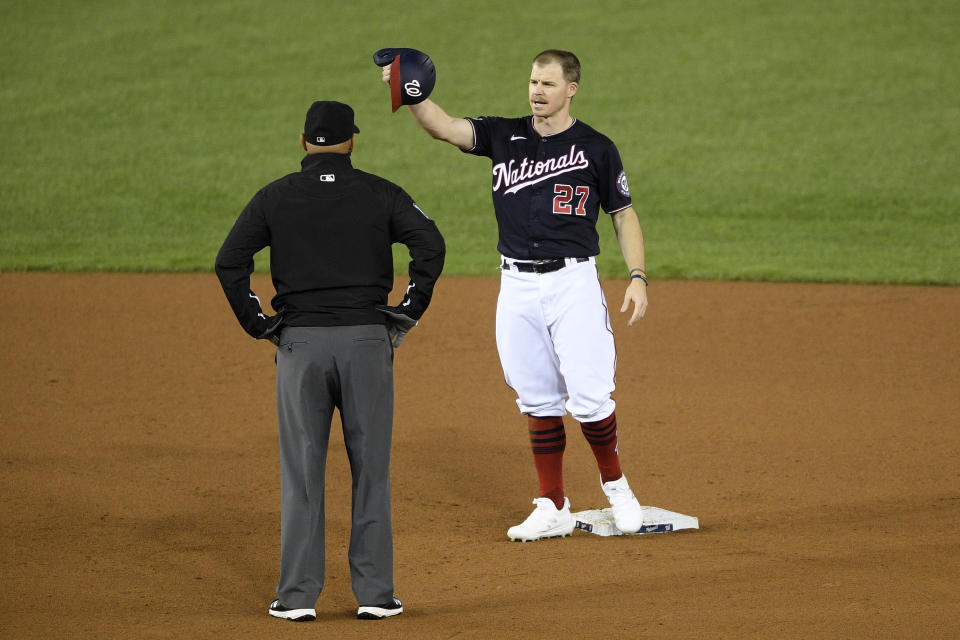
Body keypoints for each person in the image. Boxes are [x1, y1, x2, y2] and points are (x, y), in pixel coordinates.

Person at [379, 49, 648, 541]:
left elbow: (622, 212)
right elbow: (444, 127)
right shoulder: (504, 134)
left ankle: (617, 486)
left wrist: (637, 275)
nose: (536, 91)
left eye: (547, 84)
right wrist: (412, 94)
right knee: (537, 397)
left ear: (571, 89)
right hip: (517, 285)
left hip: (573, 283)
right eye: (532, 82)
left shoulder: (597, 147)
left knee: (589, 396)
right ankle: (553, 505)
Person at [215, 100, 445, 620]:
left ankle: (296, 598)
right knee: (372, 472)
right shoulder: (379, 192)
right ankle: (376, 595)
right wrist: (405, 311)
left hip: (300, 347)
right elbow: (429, 245)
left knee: (302, 473)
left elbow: (230, 261)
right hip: (367, 343)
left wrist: (260, 323)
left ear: (304, 142)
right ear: (351, 141)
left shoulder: (274, 197)